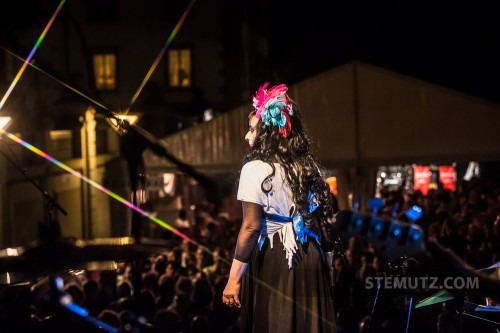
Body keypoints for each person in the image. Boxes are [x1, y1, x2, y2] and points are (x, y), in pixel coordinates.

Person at [222, 83, 337, 332]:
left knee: (276, 322)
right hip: (310, 257)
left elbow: (251, 227)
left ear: (266, 132)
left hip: (275, 258)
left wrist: (233, 280)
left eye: (251, 129)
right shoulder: (309, 167)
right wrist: (327, 267)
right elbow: (324, 225)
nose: (247, 135)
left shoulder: (254, 169)